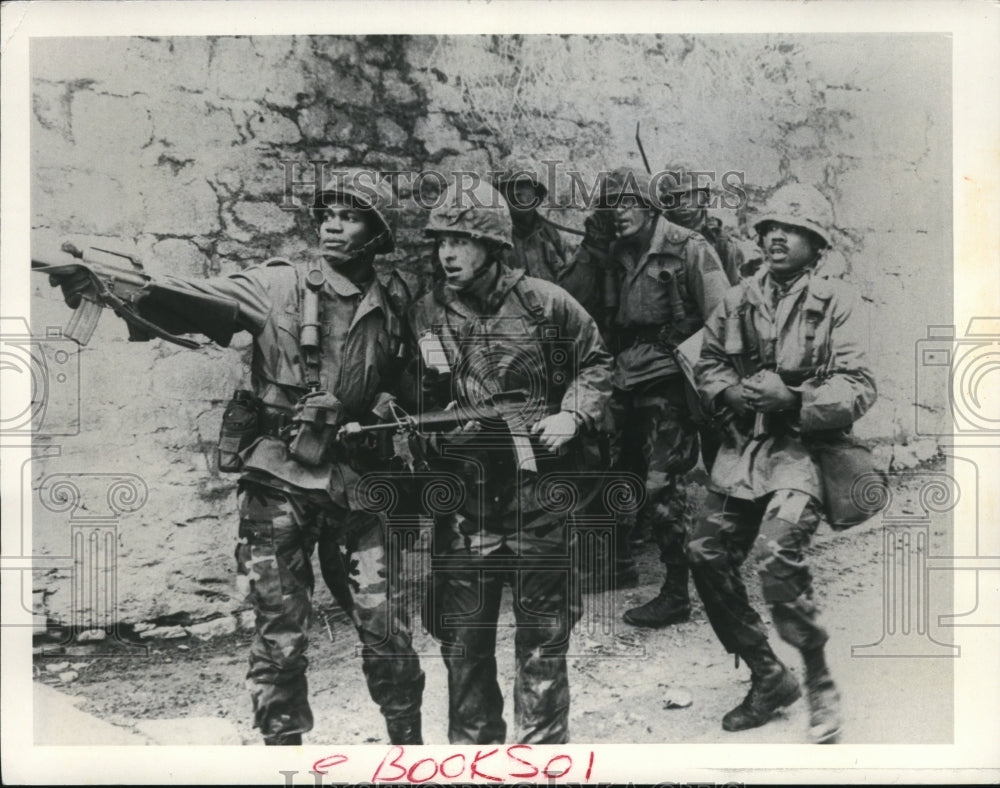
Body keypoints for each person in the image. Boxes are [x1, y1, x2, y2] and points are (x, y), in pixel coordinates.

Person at [48, 168, 425, 746]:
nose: (331, 225)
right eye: (326, 214)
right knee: (281, 636)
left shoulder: (395, 299)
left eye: (349, 217)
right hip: (279, 483)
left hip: (360, 484)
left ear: (375, 234)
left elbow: (413, 380)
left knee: (386, 630)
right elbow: (197, 295)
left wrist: (389, 405)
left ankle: (408, 751)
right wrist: (114, 279)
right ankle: (281, 757)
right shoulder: (279, 286)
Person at [409, 178, 613, 744]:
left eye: (462, 240)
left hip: (538, 500)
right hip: (467, 505)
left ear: (494, 244)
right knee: (463, 642)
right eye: (441, 241)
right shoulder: (428, 313)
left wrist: (572, 415)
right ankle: (473, 754)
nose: (447, 253)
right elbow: (413, 401)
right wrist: (444, 428)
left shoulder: (545, 302)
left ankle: (540, 756)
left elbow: (596, 364)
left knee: (544, 639)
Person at [688, 183, 876, 743]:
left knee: (775, 555)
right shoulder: (739, 298)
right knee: (704, 552)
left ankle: (817, 677)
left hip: (805, 453)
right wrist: (730, 395)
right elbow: (710, 362)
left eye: (789, 230)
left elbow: (861, 386)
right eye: (768, 228)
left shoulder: (838, 301)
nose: (774, 237)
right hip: (745, 451)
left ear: (815, 245)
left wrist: (794, 400)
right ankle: (768, 674)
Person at [598, 167, 731, 626]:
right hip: (629, 380)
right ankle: (618, 564)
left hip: (674, 384)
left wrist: (713, 387)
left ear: (651, 204)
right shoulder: (619, 254)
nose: (618, 212)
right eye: (610, 203)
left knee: (661, 486)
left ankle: (676, 592)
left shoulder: (688, 247)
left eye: (626, 202)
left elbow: (724, 319)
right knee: (624, 476)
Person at [494, 159, 606, 324]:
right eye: (509, 187)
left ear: (537, 195)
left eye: (523, 185)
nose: (516, 192)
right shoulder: (493, 239)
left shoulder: (555, 237)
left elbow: (577, 290)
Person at [660, 169, 746, 285]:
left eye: (690, 195)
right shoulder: (658, 233)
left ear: (704, 197)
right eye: (676, 196)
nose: (683, 202)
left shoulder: (722, 243)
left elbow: (733, 292)